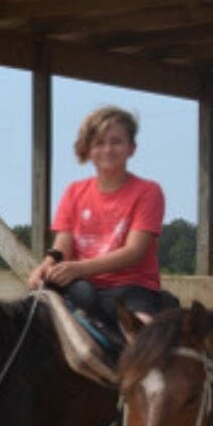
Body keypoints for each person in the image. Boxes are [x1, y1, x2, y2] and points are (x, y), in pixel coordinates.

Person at [27, 104, 167, 336]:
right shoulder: (74, 191)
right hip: (80, 288)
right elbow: (63, 244)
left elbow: (135, 251)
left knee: (143, 338)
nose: (108, 149)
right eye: (99, 143)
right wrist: (46, 266)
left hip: (130, 289)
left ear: (131, 148)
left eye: (116, 141)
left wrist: (78, 268)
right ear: (88, 149)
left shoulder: (148, 191)